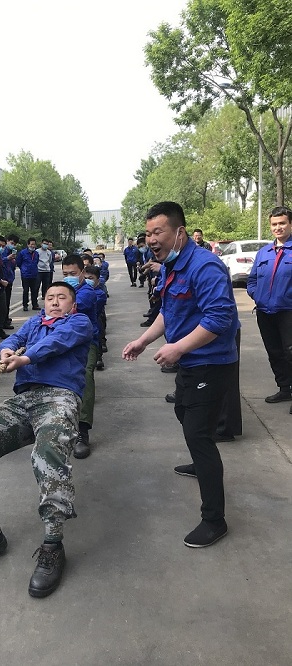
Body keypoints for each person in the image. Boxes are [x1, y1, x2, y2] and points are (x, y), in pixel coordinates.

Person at [0, 282, 93, 598]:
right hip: (24, 400)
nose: (54, 302)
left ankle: (53, 545)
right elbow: (14, 339)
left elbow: (55, 343)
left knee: (48, 452)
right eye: (50, 297)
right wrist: (6, 350)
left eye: (62, 298)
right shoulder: (35, 322)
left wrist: (25, 359)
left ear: (72, 305)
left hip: (59, 398)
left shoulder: (79, 322)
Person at [122, 201, 239, 548]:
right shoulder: (172, 266)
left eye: (158, 232)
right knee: (182, 411)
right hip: (190, 362)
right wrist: (143, 340)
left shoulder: (204, 266)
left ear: (180, 233)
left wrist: (178, 348)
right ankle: (199, 462)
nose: (151, 240)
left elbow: (220, 319)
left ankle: (215, 520)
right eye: (148, 233)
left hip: (211, 362)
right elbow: (168, 312)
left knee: (198, 434)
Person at [247, 206, 292, 410]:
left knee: (290, 352)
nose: (278, 227)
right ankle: (284, 389)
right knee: (274, 352)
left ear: (290, 224)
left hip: (288, 311)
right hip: (265, 312)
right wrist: (257, 295)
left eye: (282, 223)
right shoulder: (263, 252)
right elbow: (252, 280)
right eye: (274, 224)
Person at [61, 254, 100, 459]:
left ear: (82, 272)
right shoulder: (59, 291)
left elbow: (72, 306)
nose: (69, 277)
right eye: (65, 273)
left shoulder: (87, 292)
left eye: (73, 273)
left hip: (86, 342)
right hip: (63, 340)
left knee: (85, 375)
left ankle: (82, 432)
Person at [16, 237, 40, 311]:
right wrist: (23, 269)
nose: (33, 246)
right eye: (31, 244)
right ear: (28, 244)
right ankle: (25, 305)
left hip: (34, 274)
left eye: (34, 244)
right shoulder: (22, 253)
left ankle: (35, 304)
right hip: (25, 275)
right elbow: (18, 263)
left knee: (34, 290)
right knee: (26, 290)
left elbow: (36, 262)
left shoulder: (36, 253)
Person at [1, 234, 19, 328]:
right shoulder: (3, 251)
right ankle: (2, 322)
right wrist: (7, 258)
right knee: (3, 304)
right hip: (3, 280)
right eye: (12, 243)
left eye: (14, 244)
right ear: (7, 241)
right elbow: (0, 262)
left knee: (7, 302)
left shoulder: (12, 252)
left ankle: (6, 319)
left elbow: (12, 266)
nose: (13, 245)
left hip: (9, 280)